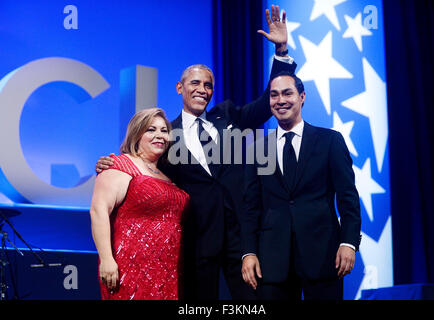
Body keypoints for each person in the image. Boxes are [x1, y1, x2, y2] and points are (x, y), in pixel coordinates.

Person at [96, 5, 297, 300]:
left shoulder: (228, 115)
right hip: (194, 238)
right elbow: (141, 166)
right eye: (195, 83)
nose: (203, 89)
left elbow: (268, 102)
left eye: (208, 85)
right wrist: (113, 164)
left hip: (240, 237)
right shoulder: (165, 135)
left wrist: (281, 52)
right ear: (180, 88)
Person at [240, 71, 361, 300]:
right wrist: (248, 252)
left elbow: (348, 198)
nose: (280, 100)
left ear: (302, 96)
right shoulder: (257, 149)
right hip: (272, 260)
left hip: (324, 256)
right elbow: (250, 208)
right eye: (274, 95)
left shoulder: (330, 141)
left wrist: (349, 242)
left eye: (287, 93)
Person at [90, 108, 190, 300]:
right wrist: (107, 259)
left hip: (166, 270)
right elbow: (98, 210)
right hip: (129, 266)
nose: (159, 135)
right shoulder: (120, 165)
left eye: (163, 130)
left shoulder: (167, 174)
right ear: (137, 134)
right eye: (151, 130)